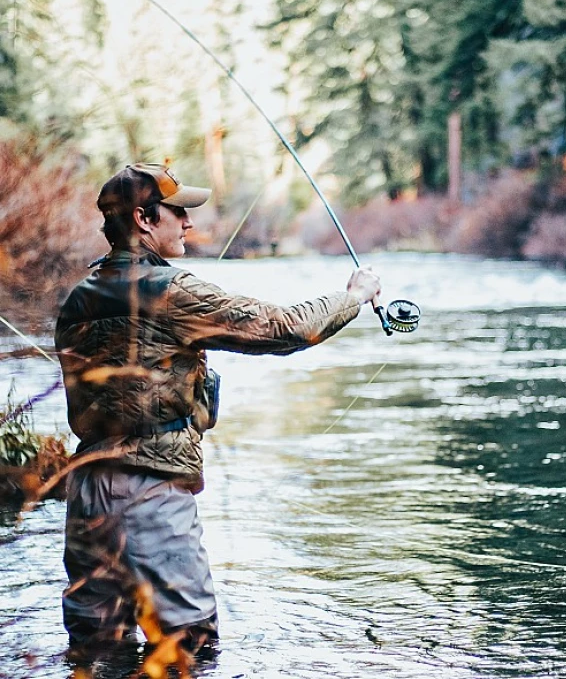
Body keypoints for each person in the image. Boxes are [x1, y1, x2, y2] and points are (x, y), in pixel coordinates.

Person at [55, 163, 380, 655]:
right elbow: (283, 329)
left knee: (96, 653)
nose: (187, 223)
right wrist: (352, 296)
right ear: (144, 218)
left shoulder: (78, 298)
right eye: (178, 212)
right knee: (188, 650)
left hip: (87, 494)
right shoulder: (171, 291)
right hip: (150, 492)